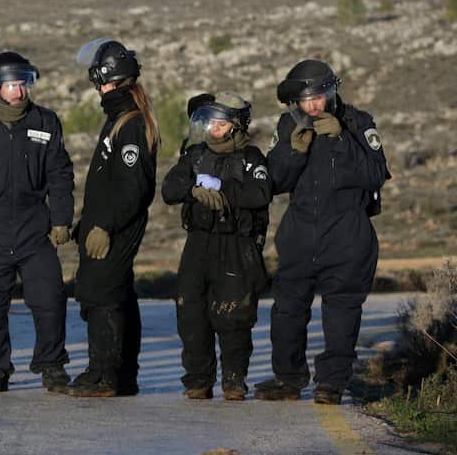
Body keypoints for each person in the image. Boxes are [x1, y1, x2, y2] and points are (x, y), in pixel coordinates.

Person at [255, 60, 390, 404]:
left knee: (342, 311)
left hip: (347, 234)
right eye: (305, 99)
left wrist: (342, 140)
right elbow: (273, 182)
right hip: (300, 233)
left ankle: (332, 384)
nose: (313, 105)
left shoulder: (359, 123)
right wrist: (292, 151)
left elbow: (375, 175)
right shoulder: (288, 124)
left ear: (332, 91)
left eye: (319, 96)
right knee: (286, 308)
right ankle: (288, 379)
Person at [0, 52, 73, 393]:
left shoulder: (46, 122)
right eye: (10, 85)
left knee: (49, 299)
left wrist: (61, 220)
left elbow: (60, 175)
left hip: (34, 229)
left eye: (22, 83)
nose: (18, 92)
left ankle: (51, 366)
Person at [161, 93, 271, 400]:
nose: (214, 129)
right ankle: (198, 379)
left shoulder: (251, 158)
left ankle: (234, 379)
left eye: (221, 124)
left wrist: (224, 191)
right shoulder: (194, 156)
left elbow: (261, 193)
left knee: (235, 315)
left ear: (236, 126)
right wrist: (194, 189)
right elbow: (169, 189)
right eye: (210, 123)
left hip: (237, 245)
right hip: (199, 242)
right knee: (190, 310)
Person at [67, 38, 159, 398]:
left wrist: (105, 226)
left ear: (110, 80)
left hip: (116, 226)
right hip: (104, 223)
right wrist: (86, 223)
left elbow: (132, 188)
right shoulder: (118, 118)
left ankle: (104, 374)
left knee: (100, 292)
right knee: (118, 293)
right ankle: (122, 375)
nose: (98, 89)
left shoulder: (131, 125)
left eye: (99, 82)